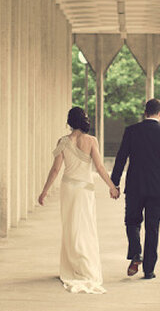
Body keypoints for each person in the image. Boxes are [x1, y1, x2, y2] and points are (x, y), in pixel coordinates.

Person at [38, 107, 120, 294]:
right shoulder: (91, 141)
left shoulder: (63, 141)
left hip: (68, 189)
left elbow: (55, 170)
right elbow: (99, 167)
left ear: (69, 121)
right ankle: (85, 266)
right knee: (85, 227)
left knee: (70, 227)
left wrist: (44, 191)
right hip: (85, 190)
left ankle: (72, 265)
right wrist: (112, 187)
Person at [111, 98, 160, 280]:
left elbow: (121, 158)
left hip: (135, 187)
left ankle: (135, 253)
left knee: (132, 222)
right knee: (152, 228)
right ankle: (149, 270)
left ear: (145, 112)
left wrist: (114, 183)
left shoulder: (131, 131)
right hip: (158, 189)